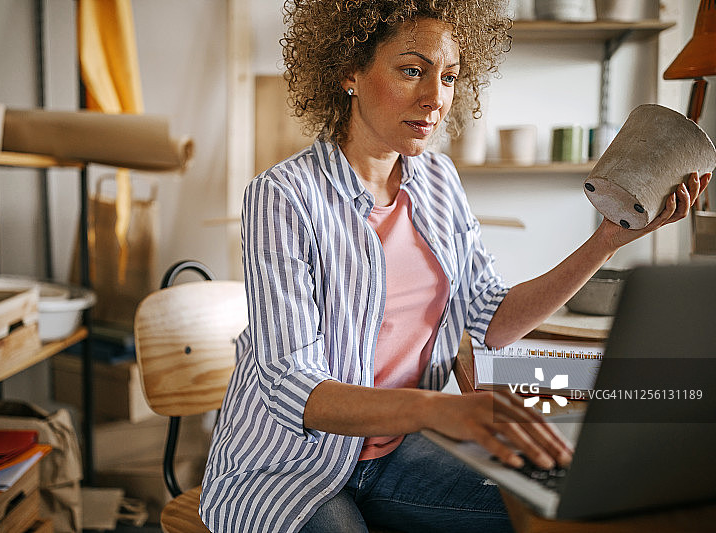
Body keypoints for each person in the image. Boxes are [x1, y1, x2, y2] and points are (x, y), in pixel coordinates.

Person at [200, 1, 711, 532]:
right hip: (288, 468)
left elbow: (493, 318)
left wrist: (608, 240)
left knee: (562, 512)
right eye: (412, 70)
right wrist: (434, 408)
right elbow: (294, 386)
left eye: (448, 77)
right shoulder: (282, 196)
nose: (435, 98)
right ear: (349, 72)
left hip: (395, 453)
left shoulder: (438, 180)